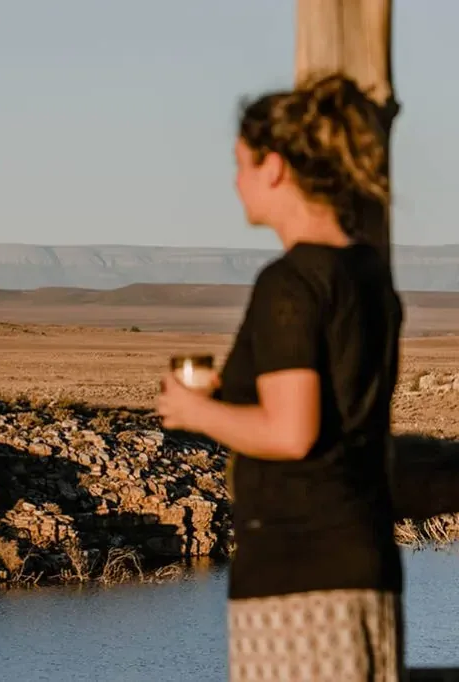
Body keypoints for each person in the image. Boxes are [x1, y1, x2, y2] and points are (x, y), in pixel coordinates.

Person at [156, 73, 404, 682]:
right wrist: (232, 395)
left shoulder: (288, 284)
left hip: (299, 577)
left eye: (241, 163)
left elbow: (293, 432)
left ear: (276, 168)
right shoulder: (368, 273)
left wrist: (196, 413)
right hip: (362, 562)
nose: (235, 180)